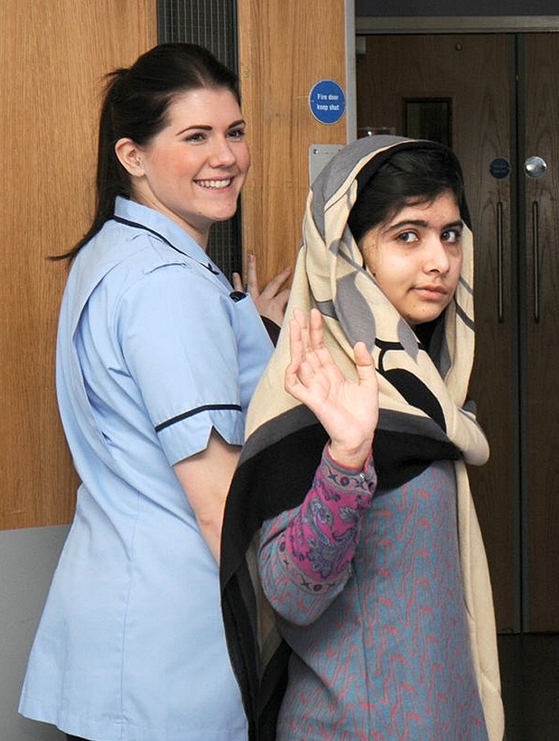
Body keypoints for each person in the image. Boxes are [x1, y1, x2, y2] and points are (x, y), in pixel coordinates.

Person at [19, 43, 289, 741]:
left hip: (120, 633)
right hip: (169, 657)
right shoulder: (167, 284)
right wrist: (313, 599)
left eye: (233, 132)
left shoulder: (114, 254)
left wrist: (245, 326)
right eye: (194, 136)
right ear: (133, 155)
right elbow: (218, 504)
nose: (224, 156)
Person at [220, 136, 504, 740]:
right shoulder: (314, 388)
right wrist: (346, 459)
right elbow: (292, 596)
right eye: (408, 235)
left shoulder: (427, 388)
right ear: (347, 253)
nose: (439, 260)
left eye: (450, 234)